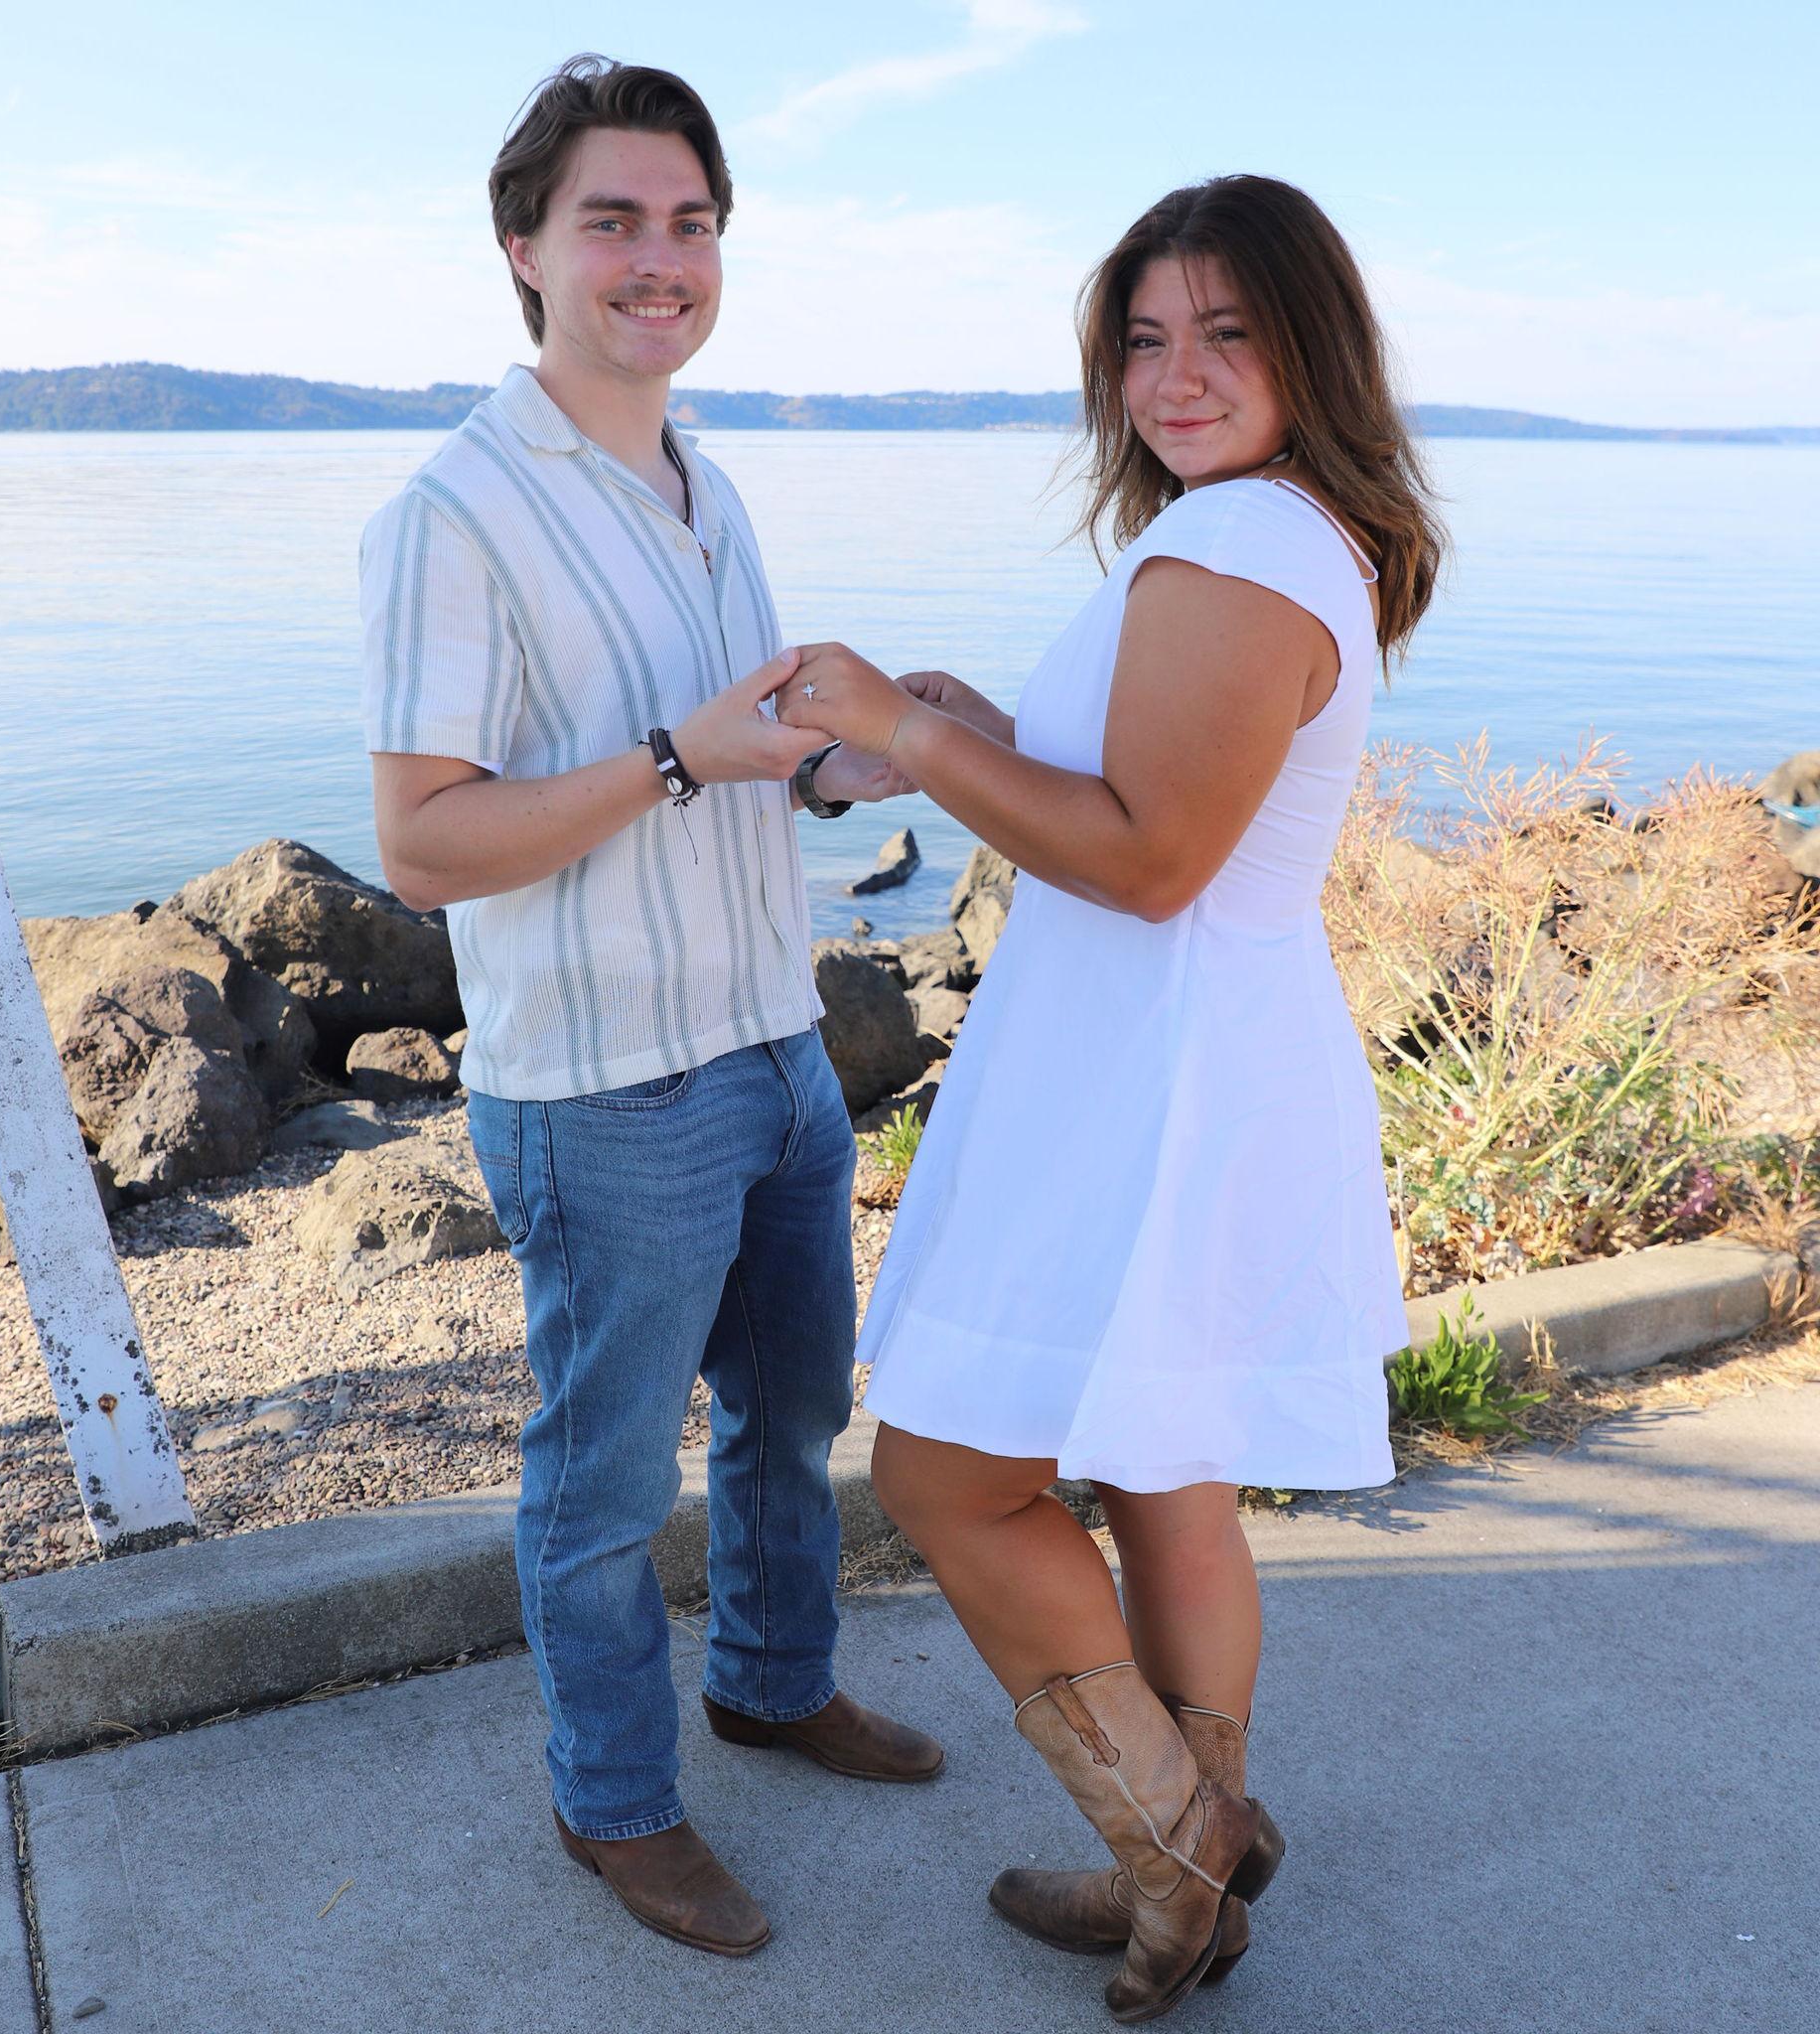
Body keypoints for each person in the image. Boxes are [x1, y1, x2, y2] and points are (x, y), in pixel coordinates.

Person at [771, 174, 1444, 2020]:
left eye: (1226, 332)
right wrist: (985, 738)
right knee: (1165, 1475)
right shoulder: (1280, 535)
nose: (1175, 374)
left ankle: (1173, 1850)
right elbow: (1156, 803)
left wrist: (902, 733)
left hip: (1145, 1086)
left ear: (1314, 350)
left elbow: (1147, 861)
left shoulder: (1237, 545)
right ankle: (1191, 1854)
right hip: (1199, 1063)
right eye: (1145, 340)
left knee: (948, 1477)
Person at [359, 55, 938, 1960]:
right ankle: (613, 1801)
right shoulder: (453, 512)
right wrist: (681, 761)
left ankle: (771, 1683)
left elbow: (741, 750)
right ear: (523, 246)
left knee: (791, 1417)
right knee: (602, 1485)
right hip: (606, 1088)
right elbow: (424, 846)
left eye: (691, 223)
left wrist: (857, 761)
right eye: (612, 219)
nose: (659, 258)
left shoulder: (707, 479)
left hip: (773, 1045)